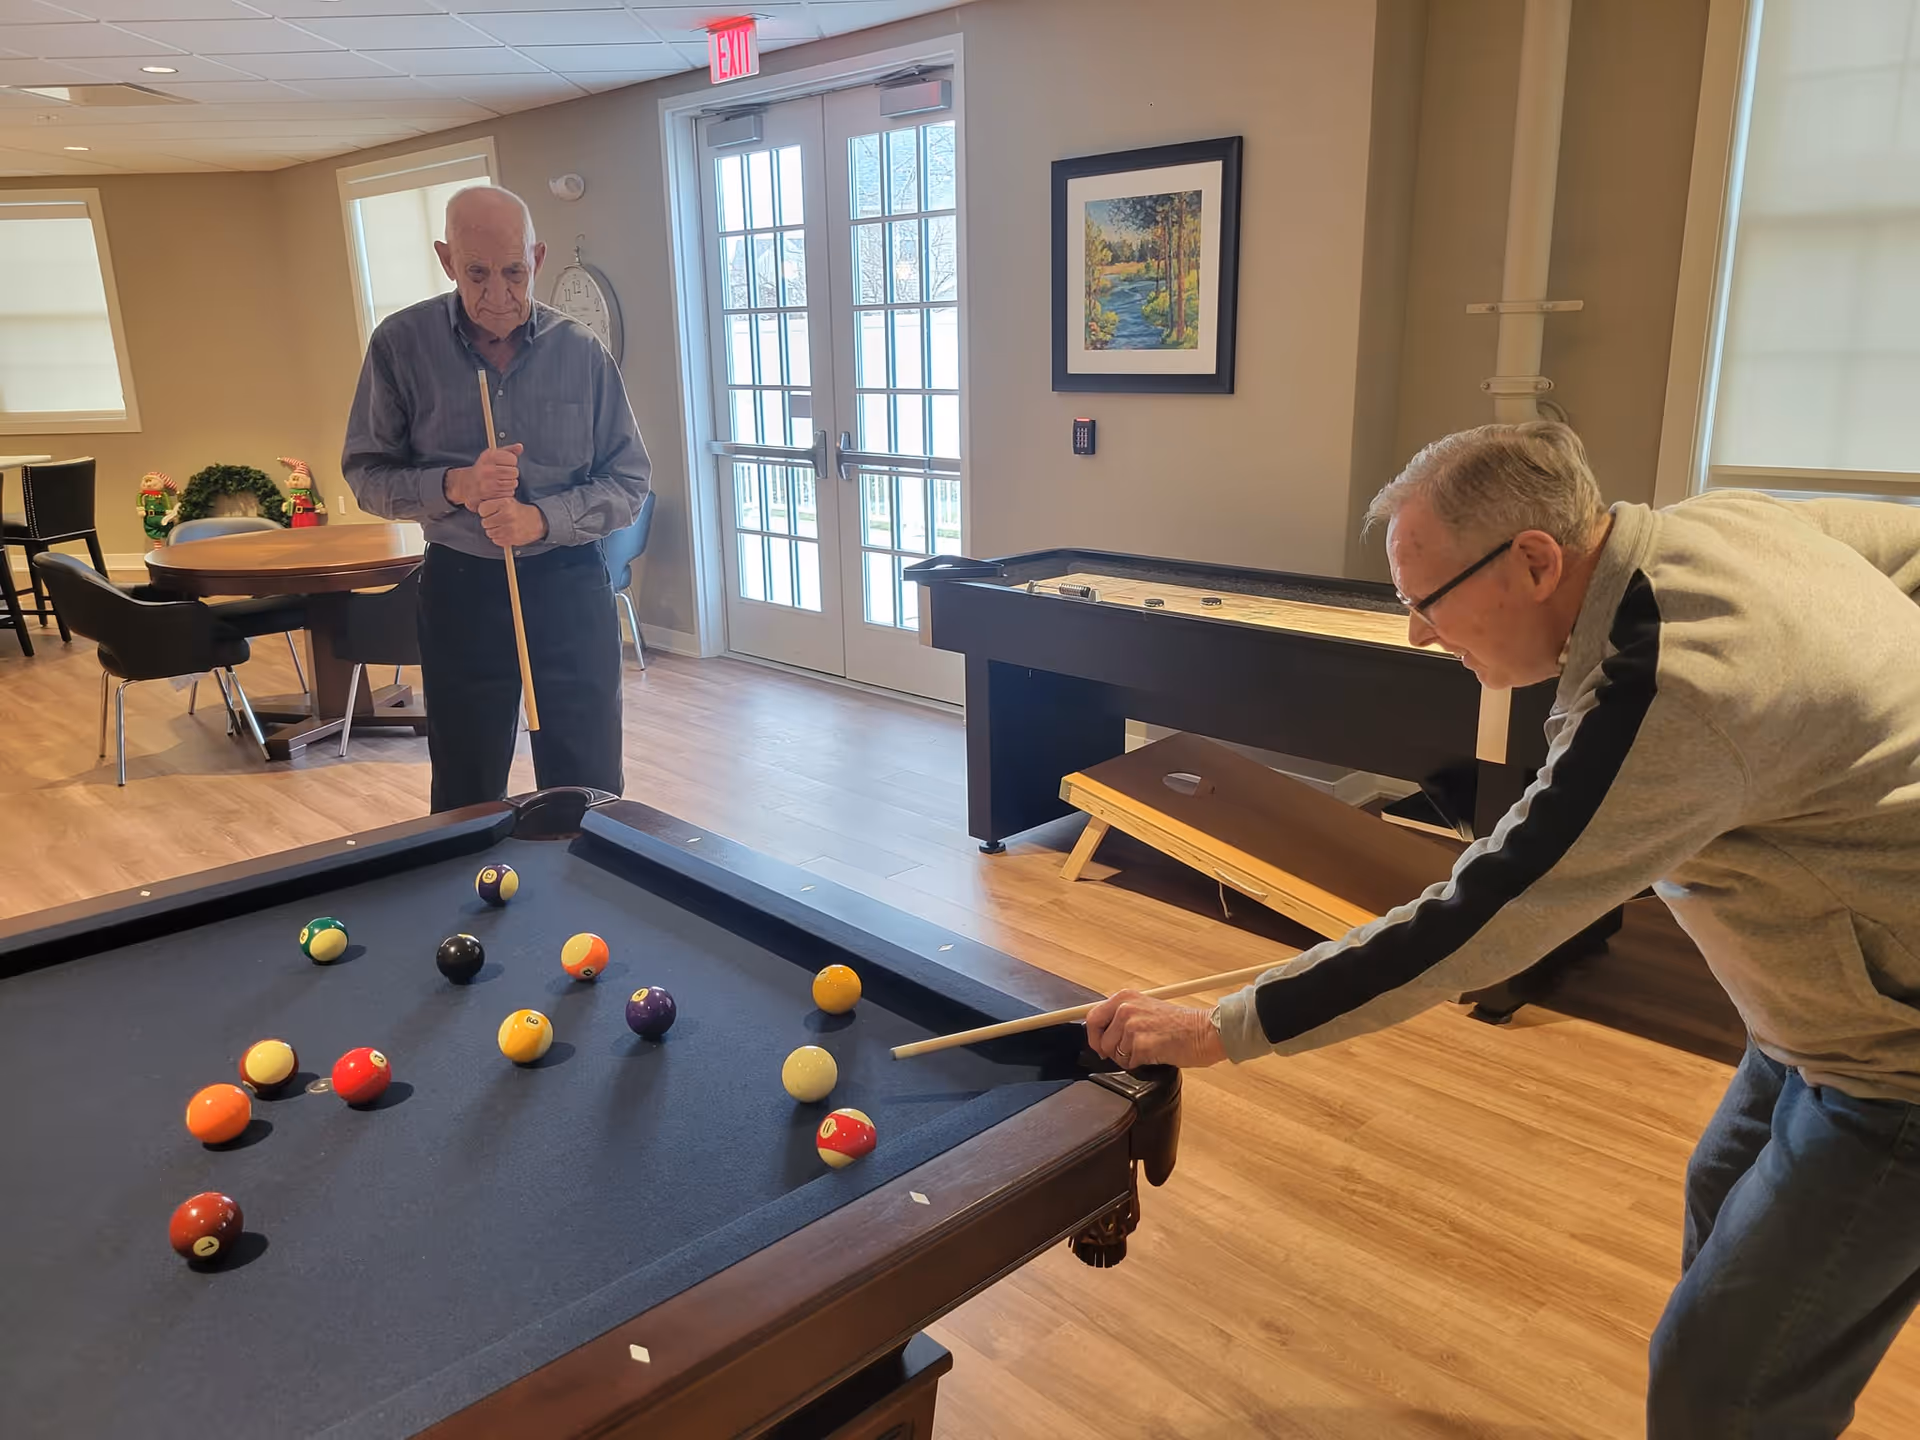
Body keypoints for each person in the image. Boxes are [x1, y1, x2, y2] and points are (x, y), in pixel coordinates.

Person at [1084, 421, 1920, 1437]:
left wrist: (1220, 1027)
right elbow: (1901, 549)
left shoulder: (1672, 692)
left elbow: (1477, 924)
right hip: (1823, 1010)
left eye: (1426, 603)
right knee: (1721, 1196)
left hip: (1895, 1060)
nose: (1418, 636)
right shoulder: (1715, 525)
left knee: (1722, 1383)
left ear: (1534, 561)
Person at [343, 185, 649, 812]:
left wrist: (542, 518)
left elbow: (629, 481)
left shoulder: (580, 351)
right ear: (446, 259)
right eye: (477, 273)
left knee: (586, 780)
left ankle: (584, 901)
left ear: (537, 257)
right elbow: (367, 474)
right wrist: (455, 485)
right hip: (462, 587)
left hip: (568, 584)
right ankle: (467, 901)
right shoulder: (401, 345)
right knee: (465, 778)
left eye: (514, 272)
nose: (499, 294)